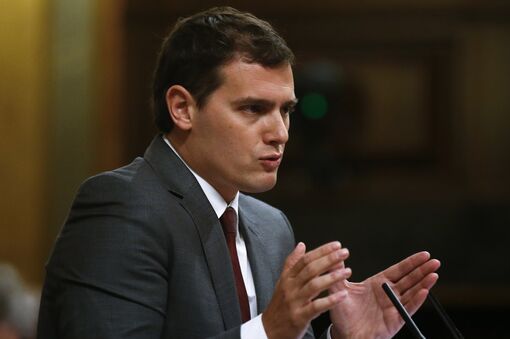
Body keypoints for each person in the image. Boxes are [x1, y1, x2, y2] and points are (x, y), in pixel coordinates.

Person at [37, 6, 440, 339]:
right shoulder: (121, 207)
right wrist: (269, 330)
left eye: (286, 111)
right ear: (182, 108)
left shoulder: (271, 226)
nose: (280, 133)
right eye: (253, 109)